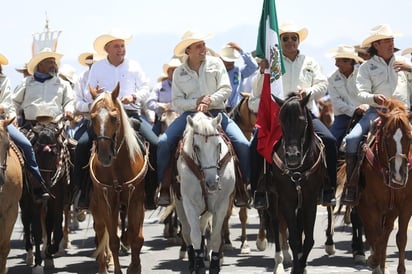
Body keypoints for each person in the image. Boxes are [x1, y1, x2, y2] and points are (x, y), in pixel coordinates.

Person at [156, 30, 250, 207]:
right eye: (198, 46)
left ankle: (244, 187)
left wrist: (209, 100)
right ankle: (164, 187)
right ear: (188, 50)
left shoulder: (216, 64)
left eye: (203, 45)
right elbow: (176, 101)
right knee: (163, 143)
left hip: (217, 113)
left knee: (243, 144)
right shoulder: (179, 73)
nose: (203, 49)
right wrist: (196, 102)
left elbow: (226, 89)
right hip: (190, 116)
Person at [252, 22, 337, 209]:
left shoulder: (310, 62)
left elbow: (322, 85)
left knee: (329, 141)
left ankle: (328, 187)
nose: (290, 42)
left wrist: (308, 92)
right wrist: (261, 71)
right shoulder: (271, 62)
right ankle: (258, 190)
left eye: (294, 38)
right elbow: (257, 89)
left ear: (299, 41)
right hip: (278, 117)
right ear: (279, 41)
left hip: (304, 116)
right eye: (285, 38)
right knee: (255, 143)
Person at [73, 30, 157, 209]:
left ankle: (151, 191)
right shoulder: (97, 67)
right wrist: (99, 94)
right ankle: (81, 191)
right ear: (107, 49)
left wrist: (134, 97)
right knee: (81, 145)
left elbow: (145, 88)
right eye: (116, 46)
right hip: (105, 117)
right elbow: (89, 92)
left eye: (122, 46)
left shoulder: (134, 66)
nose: (121, 49)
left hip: (131, 114)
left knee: (156, 143)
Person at [342, 24, 412, 205]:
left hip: (404, 114)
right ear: (377, 45)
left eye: (392, 40)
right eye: (387, 41)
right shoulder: (366, 67)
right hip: (378, 112)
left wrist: (410, 69)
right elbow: (360, 93)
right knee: (352, 139)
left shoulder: (405, 64)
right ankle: (352, 186)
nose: (391, 43)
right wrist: (373, 97)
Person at [11, 48, 75, 200]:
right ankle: (17, 186)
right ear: (39, 65)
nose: (53, 64)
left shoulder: (62, 83)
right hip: (31, 126)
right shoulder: (27, 82)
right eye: (48, 62)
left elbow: (69, 101)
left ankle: (73, 191)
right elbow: (14, 101)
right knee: (13, 150)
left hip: (55, 126)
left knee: (74, 149)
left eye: (53, 61)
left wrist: (69, 110)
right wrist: (14, 116)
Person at [326, 45, 368, 148]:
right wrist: (354, 111)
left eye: (338, 60)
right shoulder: (332, 78)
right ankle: (331, 164)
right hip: (342, 117)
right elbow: (336, 102)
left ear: (349, 61)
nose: (336, 64)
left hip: (365, 115)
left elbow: (370, 93)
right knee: (330, 142)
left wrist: (366, 106)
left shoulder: (363, 74)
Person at [146, 56, 181, 136]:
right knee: (153, 141)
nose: (175, 72)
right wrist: (160, 106)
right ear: (168, 72)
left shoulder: (184, 87)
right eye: (173, 70)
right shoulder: (159, 86)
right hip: (161, 120)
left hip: (180, 119)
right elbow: (149, 103)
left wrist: (172, 107)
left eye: (177, 70)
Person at [219, 43, 258, 112]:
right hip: (221, 109)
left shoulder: (238, 71)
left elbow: (253, 66)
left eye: (232, 60)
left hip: (237, 109)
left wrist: (240, 51)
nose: (230, 63)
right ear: (221, 60)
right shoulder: (217, 73)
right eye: (228, 60)